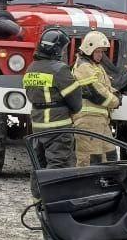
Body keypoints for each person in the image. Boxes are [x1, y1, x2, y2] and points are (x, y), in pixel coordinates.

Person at [23, 28, 83, 169]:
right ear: (55, 50)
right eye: (62, 49)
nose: (63, 52)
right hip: (58, 127)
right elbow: (76, 102)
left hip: (38, 126)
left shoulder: (31, 68)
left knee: (38, 165)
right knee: (58, 165)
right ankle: (56, 191)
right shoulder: (60, 69)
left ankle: (38, 191)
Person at [70, 31, 120, 166]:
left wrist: (117, 92)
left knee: (109, 157)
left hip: (100, 120)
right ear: (88, 49)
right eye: (98, 51)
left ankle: (107, 185)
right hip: (88, 120)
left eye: (102, 52)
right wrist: (116, 101)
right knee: (90, 161)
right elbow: (97, 92)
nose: (100, 55)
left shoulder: (95, 67)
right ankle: (85, 187)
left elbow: (105, 88)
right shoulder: (84, 67)